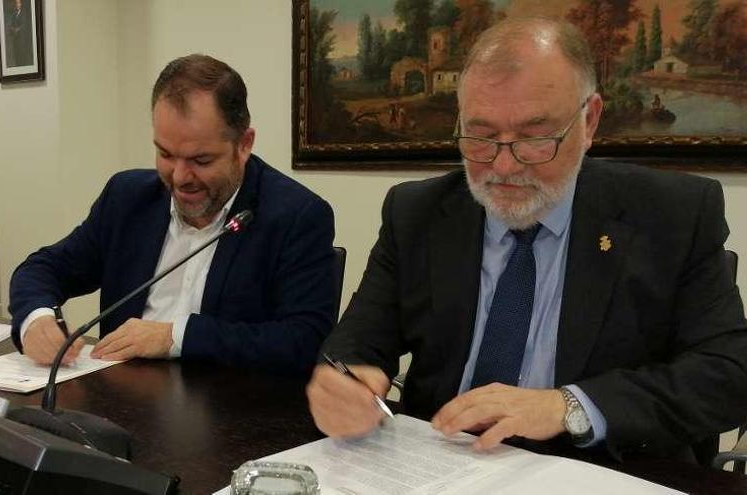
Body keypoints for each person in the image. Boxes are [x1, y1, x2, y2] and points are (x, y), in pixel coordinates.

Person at [307, 17, 747, 464]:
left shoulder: (673, 214)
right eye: (481, 135)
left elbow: (728, 374)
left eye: (535, 137)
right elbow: (358, 342)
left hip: (602, 471)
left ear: (589, 120)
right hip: (442, 465)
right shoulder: (417, 212)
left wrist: (569, 406)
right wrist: (346, 382)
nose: (503, 166)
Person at [9, 54, 337, 372]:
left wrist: (176, 336)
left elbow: (304, 341)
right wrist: (36, 319)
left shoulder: (297, 215)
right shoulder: (127, 199)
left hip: (228, 414)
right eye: (166, 154)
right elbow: (43, 268)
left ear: (244, 144)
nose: (180, 177)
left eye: (200, 160)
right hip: (119, 403)